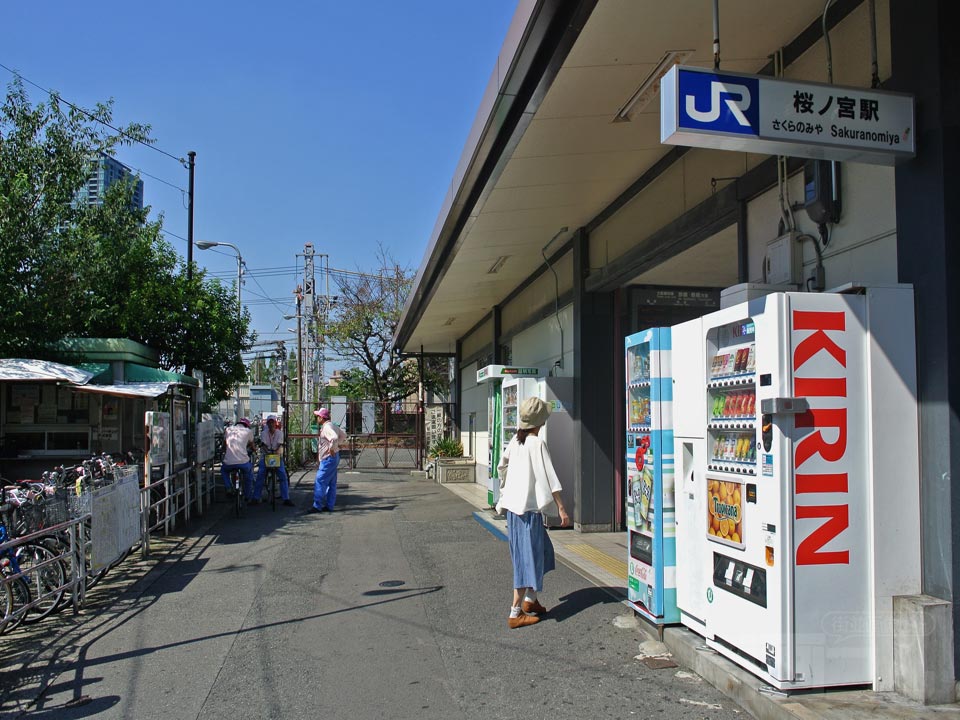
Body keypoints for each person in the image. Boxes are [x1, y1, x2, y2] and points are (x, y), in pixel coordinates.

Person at [496, 396, 571, 629]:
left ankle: (531, 600)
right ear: (541, 421)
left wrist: (507, 489)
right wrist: (561, 508)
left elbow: (502, 466)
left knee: (542, 553)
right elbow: (551, 478)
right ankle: (515, 612)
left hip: (515, 510)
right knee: (526, 560)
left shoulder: (515, 441)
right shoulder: (536, 443)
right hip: (527, 512)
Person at [254, 415, 295, 507]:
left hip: (276, 456)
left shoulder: (280, 433)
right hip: (266, 455)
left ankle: (286, 498)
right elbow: (263, 445)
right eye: (269, 422)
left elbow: (280, 445)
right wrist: (267, 451)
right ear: (267, 424)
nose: (271, 424)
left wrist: (277, 452)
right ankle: (256, 497)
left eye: (273, 422)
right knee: (260, 474)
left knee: (282, 475)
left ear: (275, 423)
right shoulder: (264, 433)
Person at [311, 407, 346, 513]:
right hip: (334, 457)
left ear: (322, 418)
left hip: (328, 458)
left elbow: (334, 437)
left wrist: (331, 448)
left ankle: (317, 505)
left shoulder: (326, 427)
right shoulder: (333, 425)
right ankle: (330, 505)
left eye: (318, 416)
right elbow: (343, 435)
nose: (317, 418)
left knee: (320, 480)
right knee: (331, 482)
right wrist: (335, 447)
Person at [221, 417, 256, 503]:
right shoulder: (248, 431)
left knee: (224, 471)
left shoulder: (228, 430)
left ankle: (228, 487)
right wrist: (254, 450)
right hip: (243, 462)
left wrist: (223, 451)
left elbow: (224, 445)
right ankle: (247, 496)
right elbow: (252, 445)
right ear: (247, 425)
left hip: (228, 462)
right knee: (249, 476)